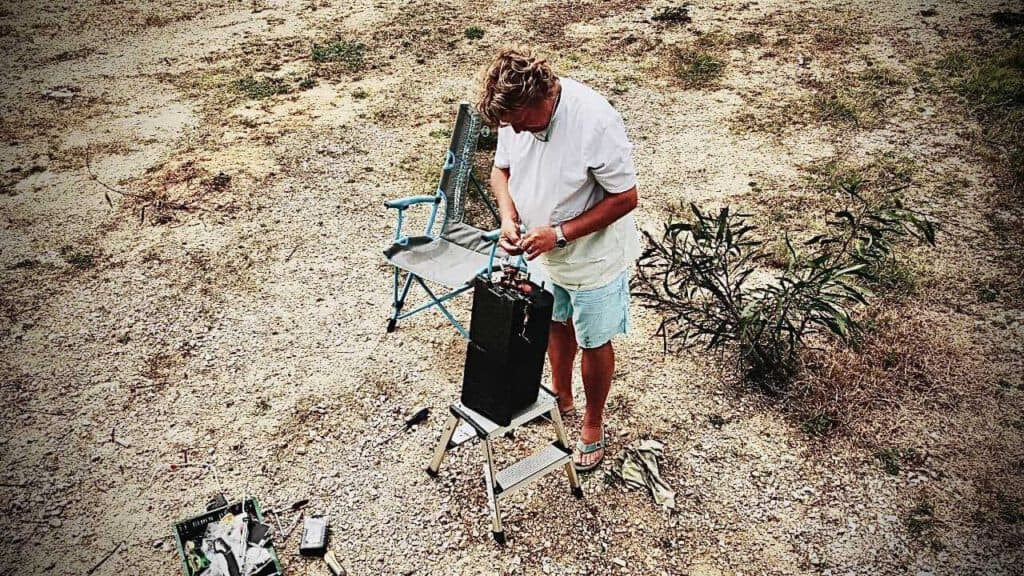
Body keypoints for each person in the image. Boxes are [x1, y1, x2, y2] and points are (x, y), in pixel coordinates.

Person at [477, 48, 641, 471]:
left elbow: (626, 198)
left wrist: (561, 234)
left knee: (593, 339)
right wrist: (509, 217)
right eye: (509, 125)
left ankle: (593, 422)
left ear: (543, 97)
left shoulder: (595, 120)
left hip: (593, 258)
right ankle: (561, 395)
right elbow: (500, 171)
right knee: (553, 320)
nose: (515, 130)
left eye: (520, 122)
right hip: (543, 252)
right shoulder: (515, 117)